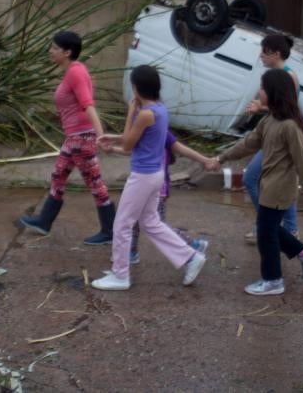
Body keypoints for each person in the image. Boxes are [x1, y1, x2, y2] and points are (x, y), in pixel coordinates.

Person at [209, 68, 303, 296]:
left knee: (265, 235)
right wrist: (221, 158)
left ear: (274, 92)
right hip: (269, 186)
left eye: (262, 87)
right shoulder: (269, 120)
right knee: (269, 229)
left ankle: (273, 280)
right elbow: (248, 143)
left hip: (279, 188)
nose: (259, 91)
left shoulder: (290, 127)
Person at [91, 65, 207, 291]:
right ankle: (191, 257)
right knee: (150, 222)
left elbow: (128, 144)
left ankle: (120, 275)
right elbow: (137, 140)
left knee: (122, 223)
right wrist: (113, 139)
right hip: (154, 175)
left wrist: (129, 113)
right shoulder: (160, 109)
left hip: (143, 176)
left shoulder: (144, 113)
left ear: (136, 88)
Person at [18, 31, 115, 245]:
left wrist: (101, 136)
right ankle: (44, 221)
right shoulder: (73, 70)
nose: (50, 51)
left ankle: (110, 231)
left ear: (67, 52)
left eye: (54, 48)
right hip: (73, 138)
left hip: (82, 139)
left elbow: (88, 105)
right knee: (59, 176)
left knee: (95, 184)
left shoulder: (76, 73)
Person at [101, 128, 214, 265]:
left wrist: (205, 160)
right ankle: (131, 252)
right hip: (153, 185)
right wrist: (113, 149)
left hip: (157, 188)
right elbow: (135, 150)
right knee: (139, 222)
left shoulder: (156, 128)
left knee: (155, 225)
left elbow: (180, 148)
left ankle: (193, 245)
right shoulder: (151, 126)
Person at [243, 34, 300, 244]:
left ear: (276, 54)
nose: (260, 56)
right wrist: (259, 108)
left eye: (264, 52)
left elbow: (288, 108)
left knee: (255, 178)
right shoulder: (274, 74)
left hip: (283, 137)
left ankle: (281, 227)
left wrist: (260, 107)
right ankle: (270, 225)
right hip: (272, 133)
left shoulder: (288, 76)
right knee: (261, 180)